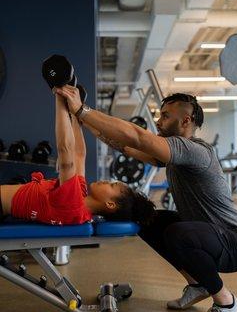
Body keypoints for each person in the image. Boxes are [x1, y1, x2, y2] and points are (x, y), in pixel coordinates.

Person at [56, 85, 237, 312]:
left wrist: (83, 110)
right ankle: (197, 284)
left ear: (186, 120)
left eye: (165, 116)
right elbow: (126, 146)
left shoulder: (193, 149)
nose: (158, 121)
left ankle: (226, 303)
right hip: (211, 235)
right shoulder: (174, 154)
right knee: (149, 219)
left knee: (178, 233)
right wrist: (82, 121)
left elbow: (138, 137)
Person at [0, 90, 155, 226]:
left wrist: (61, 98)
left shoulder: (73, 202)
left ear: (110, 204)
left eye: (112, 186)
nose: (107, 181)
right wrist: (75, 113)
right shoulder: (80, 202)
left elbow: (65, 151)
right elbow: (79, 154)